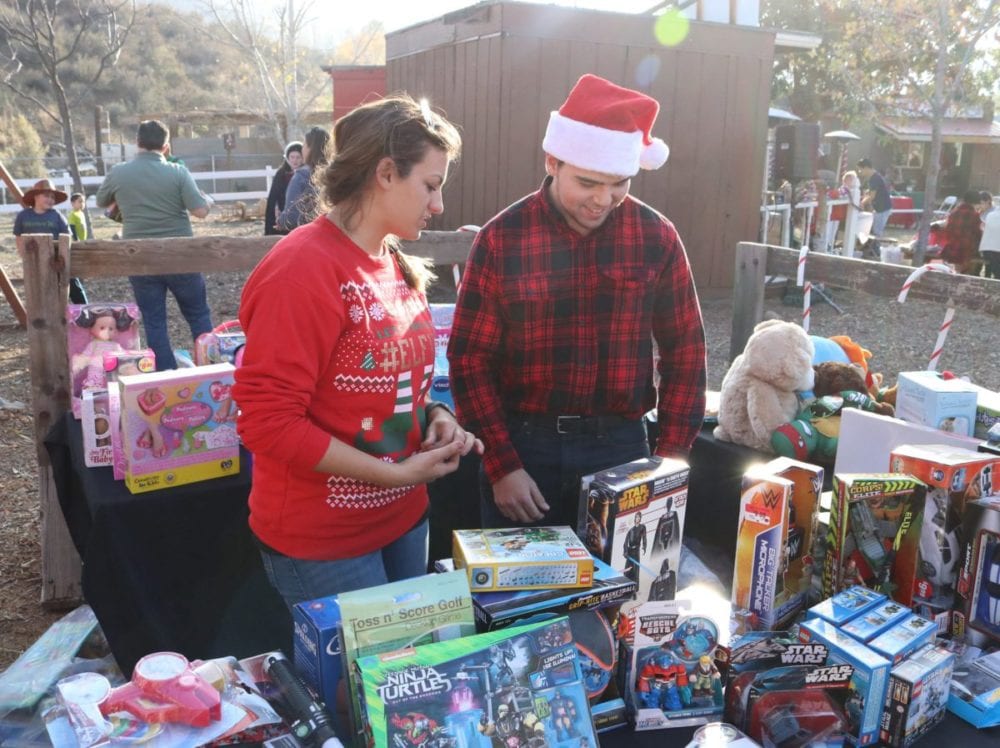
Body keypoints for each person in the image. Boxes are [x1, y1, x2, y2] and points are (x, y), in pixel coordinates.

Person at [232, 95, 482, 611]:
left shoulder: (391, 260)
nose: (438, 205)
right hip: (325, 539)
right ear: (386, 172)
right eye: (431, 186)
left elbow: (391, 385)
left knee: (406, 671)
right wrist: (393, 474)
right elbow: (268, 422)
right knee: (360, 686)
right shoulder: (303, 268)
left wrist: (435, 414)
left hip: (403, 514)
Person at [448, 73, 707, 528]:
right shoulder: (501, 239)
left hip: (623, 444)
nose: (603, 199)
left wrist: (669, 460)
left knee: (625, 594)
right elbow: (470, 360)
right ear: (553, 161)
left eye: (619, 184)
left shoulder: (657, 236)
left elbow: (686, 352)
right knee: (524, 595)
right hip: (526, 444)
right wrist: (502, 466)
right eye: (588, 183)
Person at [96, 119, 213, 370]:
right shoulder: (177, 172)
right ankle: (211, 368)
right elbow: (200, 211)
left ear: (137, 143)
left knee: (154, 321)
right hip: (180, 255)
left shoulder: (119, 172)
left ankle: (166, 374)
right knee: (198, 314)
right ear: (166, 145)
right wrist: (208, 201)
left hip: (140, 256)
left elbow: (101, 200)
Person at [13, 179, 87, 304]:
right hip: (35, 259)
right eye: (46, 196)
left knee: (71, 283)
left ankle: (84, 310)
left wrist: (65, 254)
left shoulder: (56, 215)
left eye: (52, 197)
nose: (50, 199)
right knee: (40, 287)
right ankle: (45, 314)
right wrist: (23, 254)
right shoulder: (23, 216)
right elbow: (19, 236)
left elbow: (67, 236)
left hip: (58, 258)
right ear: (36, 196)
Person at [277, 125, 331, 231]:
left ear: (311, 148)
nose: (302, 149)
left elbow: (291, 217)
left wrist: (280, 219)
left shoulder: (302, 176)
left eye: (304, 145)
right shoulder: (336, 174)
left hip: (310, 235)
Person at [264, 141, 303, 235]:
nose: (295, 160)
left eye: (298, 157)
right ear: (287, 158)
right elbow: (273, 198)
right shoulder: (281, 174)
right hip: (283, 215)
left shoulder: (305, 174)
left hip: (301, 215)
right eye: (292, 157)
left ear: (303, 158)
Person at [941, 190, 984, 275]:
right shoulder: (974, 215)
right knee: (978, 262)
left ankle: (958, 273)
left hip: (952, 247)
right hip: (967, 249)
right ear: (975, 202)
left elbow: (947, 230)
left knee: (957, 268)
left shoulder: (953, 213)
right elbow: (977, 234)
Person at [856, 158, 892, 255]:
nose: (860, 172)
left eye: (860, 169)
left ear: (866, 168)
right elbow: (871, 192)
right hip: (880, 208)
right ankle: (873, 251)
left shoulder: (874, 178)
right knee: (874, 230)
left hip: (882, 208)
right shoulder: (874, 177)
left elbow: (872, 196)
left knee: (877, 233)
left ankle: (876, 254)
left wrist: (862, 203)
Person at [980, 192, 1000, 279]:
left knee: (993, 268)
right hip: (995, 248)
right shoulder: (989, 213)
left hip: (986, 249)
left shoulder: (990, 214)